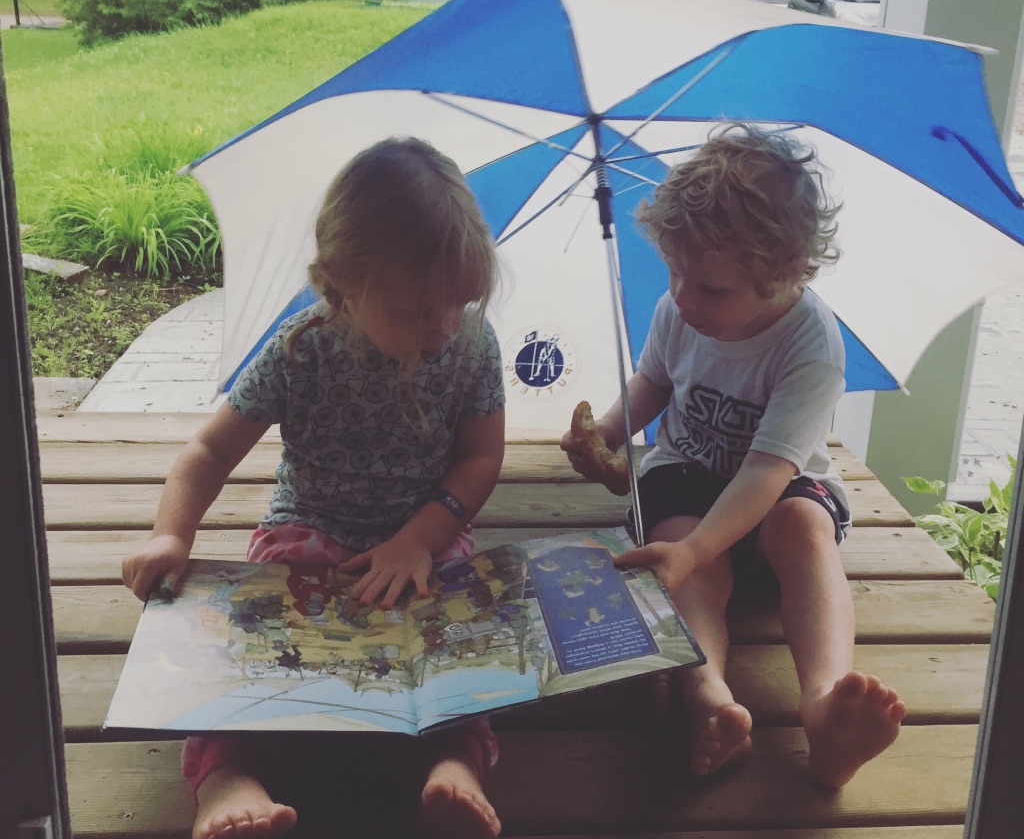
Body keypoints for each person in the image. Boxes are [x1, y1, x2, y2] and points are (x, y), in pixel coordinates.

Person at [123, 137, 506, 839]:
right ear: (342, 282)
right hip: (311, 530)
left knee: (462, 651)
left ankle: (452, 766)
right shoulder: (300, 350)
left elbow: (481, 459)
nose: (444, 327)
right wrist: (170, 535)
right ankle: (226, 779)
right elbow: (208, 451)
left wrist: (417, 540)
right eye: (417, 309)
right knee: (246, 661)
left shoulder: (473, 344)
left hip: (428, 534)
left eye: (461, 301)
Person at [561, 123, 905, 788]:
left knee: (803, 527)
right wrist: (606, 432)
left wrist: (697, 550)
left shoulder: (810, 343)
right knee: (677, 543)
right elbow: (654, 381)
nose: (683, 298)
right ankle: (709, 693)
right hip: (688, 475)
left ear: (788, 272)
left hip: (775, 489)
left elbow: (769, 469)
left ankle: (825, 704)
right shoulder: (679, 308)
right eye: (675, 273)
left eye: (710, 288)